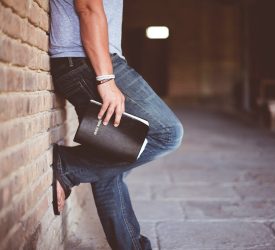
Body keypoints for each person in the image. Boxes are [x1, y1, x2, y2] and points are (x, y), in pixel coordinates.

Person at [49, 0, 184, 249]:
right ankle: (69, 165)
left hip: (82, 61)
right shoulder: (97, 70)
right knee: (167, 133)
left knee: (109, 159)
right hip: (86, 63)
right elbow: (88, 7)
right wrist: (106, 79)